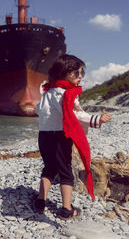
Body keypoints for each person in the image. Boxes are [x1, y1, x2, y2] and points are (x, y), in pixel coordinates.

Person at [34, 54, 112, 220]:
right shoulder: (65, 94)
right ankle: (67, 209)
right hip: (59, 137)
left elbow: (37, 109)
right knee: (66, 171)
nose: (80, 77)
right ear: (67, 73)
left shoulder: (48, 91)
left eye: (81, 73)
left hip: (44, 136)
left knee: (49, 168)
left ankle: (40, 201)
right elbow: (74, 114)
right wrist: (97, 119)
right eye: (77, 73)